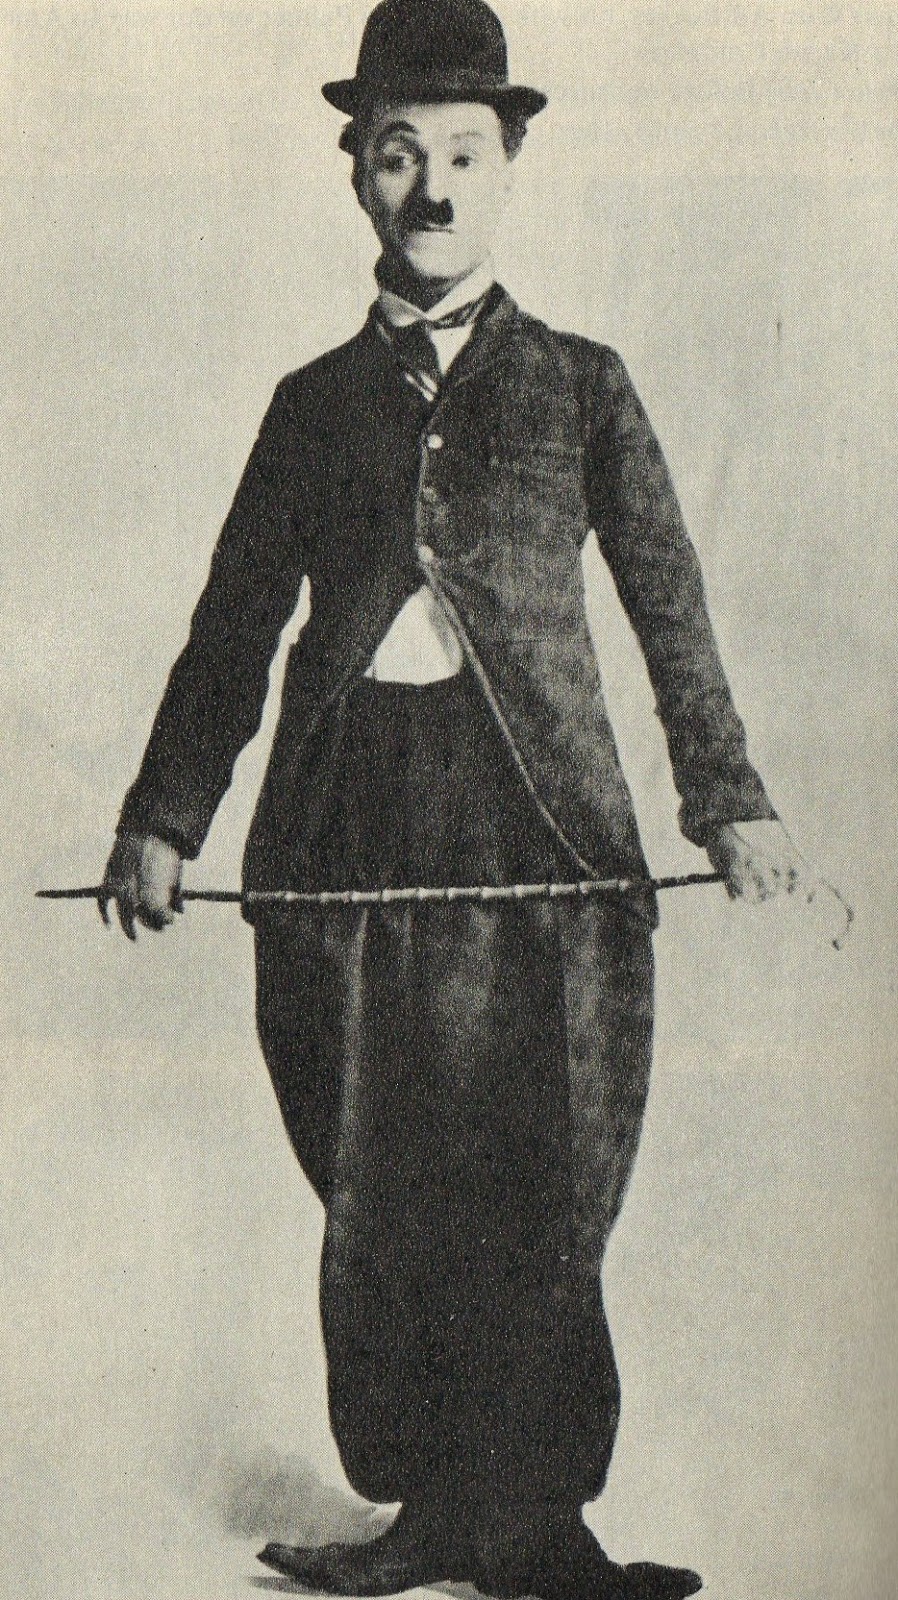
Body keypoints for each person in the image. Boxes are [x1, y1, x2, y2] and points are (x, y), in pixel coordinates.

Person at [99, 2, 816, 1596]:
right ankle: (427, 1512)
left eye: (464, 156)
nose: (430, 188)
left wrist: (727, 800)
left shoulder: (583, 385)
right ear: (354, 169)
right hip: (345, 822)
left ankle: (539, 1528)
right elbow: (232, 626)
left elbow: (668, 607)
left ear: (510, 167)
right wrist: (162, 819)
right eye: (396, 153)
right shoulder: (310, 404)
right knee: (378, 1171)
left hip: (540, 824)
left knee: (543, 1172)